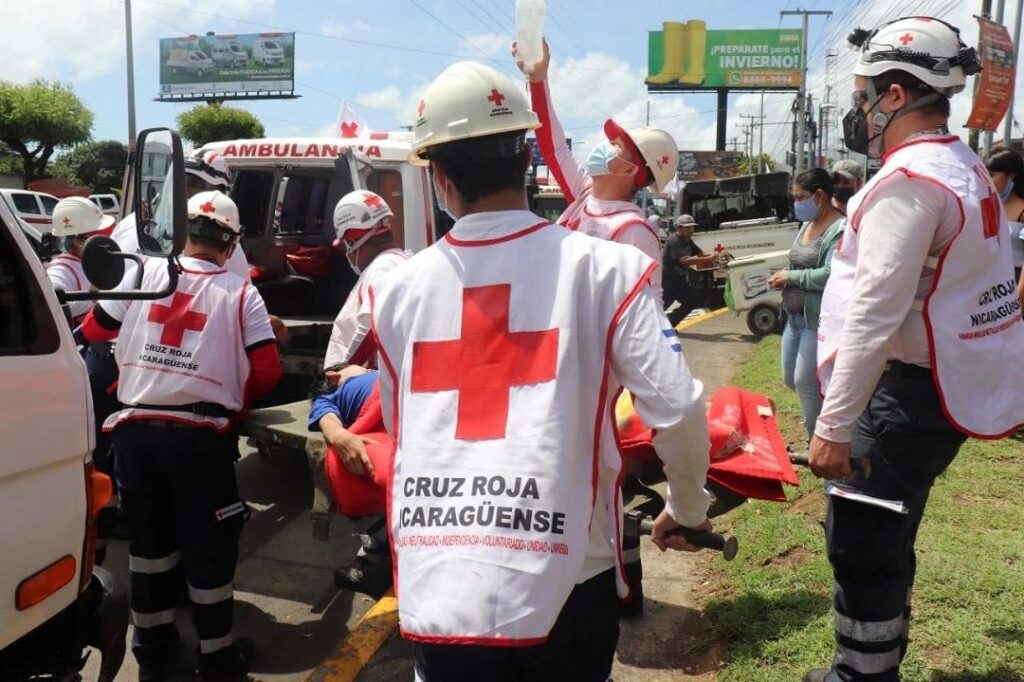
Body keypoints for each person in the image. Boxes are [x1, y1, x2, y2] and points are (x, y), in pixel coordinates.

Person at [370, 60, 711, 682]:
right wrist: (688, 509)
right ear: (527, 158)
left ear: (438, 175)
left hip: (444, 579)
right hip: (570, 577)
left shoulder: (395, 291)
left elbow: (403, 427)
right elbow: (679, 405)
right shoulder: (609, 269)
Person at [809, 17, 1024, 682]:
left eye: (862, 93)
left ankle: (862, 675)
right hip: (937, 393)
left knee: (863, 540)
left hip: (901, 396)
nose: (856, 109)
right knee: (890, 530)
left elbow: (875, 313)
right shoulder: (961, 166)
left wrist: (834, 424)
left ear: (895, 96)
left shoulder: (910, 182)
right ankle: (878, 662)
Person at [80, 190, 282, 680]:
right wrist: (230, 391)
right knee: (208, 547)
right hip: (198, 439)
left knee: (150, 547)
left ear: (183, 233)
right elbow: (269, 370)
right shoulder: (240, 292)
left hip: (135, 434)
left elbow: (93, 328)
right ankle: (216, 657)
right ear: (231, 244)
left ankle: (152, 649)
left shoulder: (145, 272)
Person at [517, 39, 679, 297]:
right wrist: (538, 79)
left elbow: (648, 312)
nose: (604, 146)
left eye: (616, 146)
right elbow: (553, 146)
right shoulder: (584, 194)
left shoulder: (634, 231)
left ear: (629, 170)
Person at [767, 168, 844, 444]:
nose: (796, 203)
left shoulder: (839, 229)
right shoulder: (805, 226)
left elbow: (830, 273)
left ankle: (819, 442)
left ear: (820, 196)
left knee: (805, 382)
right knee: (791, 379)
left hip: (817, 320)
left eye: (800, 197)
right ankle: (823, 424)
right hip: (794, 316)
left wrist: (792, 277)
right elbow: (797, 262)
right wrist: (783, 276)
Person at [111, 149, 251, 281]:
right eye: (178, 188)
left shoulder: (130, 223)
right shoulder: (129, 225)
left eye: (194, 192)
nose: (181, 199)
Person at [323, 190, 412, 367]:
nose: (347, 254)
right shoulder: (397, 262)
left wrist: (342, 372)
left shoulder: (382, 268)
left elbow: (370, 327)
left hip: (361, 381)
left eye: (345, 246)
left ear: (352, 242)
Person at [661, 214, 715, 326]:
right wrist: (708, 258)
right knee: (659, 308)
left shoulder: (687, 240)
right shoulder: (674, 241)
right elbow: (685, 261)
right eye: (687, 227)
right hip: (668, 282)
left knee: (693, 300)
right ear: (679, 228)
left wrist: (716, 255)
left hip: (680, 282)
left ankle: (670, 323)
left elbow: (701, 254)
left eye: (692, 227)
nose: (691, 230)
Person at [984, 148, 1024, 283]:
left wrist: (1019, 296)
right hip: (989, 281)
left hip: (1015, 282)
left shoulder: (1022, 211)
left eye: (992, 175)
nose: (987, 181)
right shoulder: (987, 207)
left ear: (1011, 175)